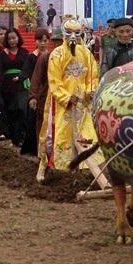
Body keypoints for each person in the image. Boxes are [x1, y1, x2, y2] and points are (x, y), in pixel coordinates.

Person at [36, 18, 103, 183]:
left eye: (76, 33)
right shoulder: (56, 54)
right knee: (55, 135)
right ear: (64, 34)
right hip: (61, 103)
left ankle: (85, 169)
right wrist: (66, 97)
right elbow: (54, 81)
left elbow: (93, 75)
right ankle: (45, 166)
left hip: (83, 102)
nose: (73, 36)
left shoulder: (86, 53)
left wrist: (89, 92)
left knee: (86, 135)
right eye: (69, 33)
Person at [29, 28, 63, 157]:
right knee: (44, 127)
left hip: (64, 100)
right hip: (46, 99)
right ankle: (43, 156)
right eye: (55, 41)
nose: (58, 45)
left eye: (60, 41)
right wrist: (33, 97)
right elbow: (36, 79)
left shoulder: (71, 59)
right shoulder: (45, 58)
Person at [0, 28, 30, 149]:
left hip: (22, 85)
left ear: (18, 38)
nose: (12, 40)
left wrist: (21, 77)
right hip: (7, 87)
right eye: (9, 38)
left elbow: (28, 68)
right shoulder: (2, 54)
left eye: (14, 37)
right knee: (11, 111)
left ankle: (24, 137)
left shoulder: (25, 52)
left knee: (23, 110)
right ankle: (15, 139)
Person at [21, 28, 50, 156]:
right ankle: (34, 148)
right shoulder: (32, 56)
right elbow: (27, 71)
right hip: (36, 89)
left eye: (45, 40)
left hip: (49, 90)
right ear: (35, 41)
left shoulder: (51, 56)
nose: (43, 43)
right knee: (34, 120)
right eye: (40, 40)